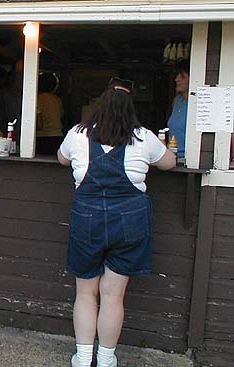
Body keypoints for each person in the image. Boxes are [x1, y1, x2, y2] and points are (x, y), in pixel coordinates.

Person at [58, 79, 176, 367]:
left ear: (99, 106)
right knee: (113, 295)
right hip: (130, 222)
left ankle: (84, 358)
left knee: (86, 292)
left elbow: (62, 159)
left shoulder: (77, 134)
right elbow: (169, 162)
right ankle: (107, 358)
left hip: (88, 220)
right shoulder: (144, 136)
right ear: (130, 110)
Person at [0, 60, 23, 136]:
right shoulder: (1, 96)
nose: (22, 78)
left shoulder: (30, 97)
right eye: (19, 74)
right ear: (12, 77)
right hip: (5, 140)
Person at [36, 72, 64, 155]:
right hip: (57, 134)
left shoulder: (36, 98)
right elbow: (61, 115)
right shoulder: (57, 99)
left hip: (41, 136)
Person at [167, 60, 189, 158]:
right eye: (177, 76)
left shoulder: (196, 104)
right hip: (172, 156)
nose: (177, 79)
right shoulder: (176, 101)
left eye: (183, 77)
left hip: (187, 159)